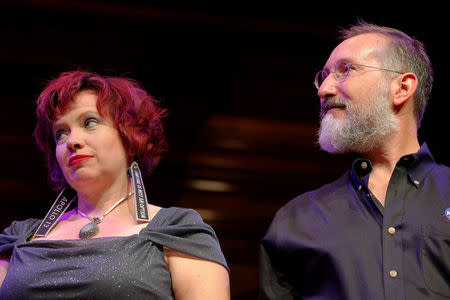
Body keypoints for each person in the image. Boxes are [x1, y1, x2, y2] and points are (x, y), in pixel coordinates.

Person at [259, 21, 450, 300]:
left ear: (402, 87)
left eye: (346, 70)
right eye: (322, 77)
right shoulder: (295, 220)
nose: (323, 89)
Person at [0, 70, 230, 299]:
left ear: (131, 139)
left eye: (90, 122)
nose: (72, 141)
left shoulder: (177, 231)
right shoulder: (18, 238)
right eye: (61, 133)